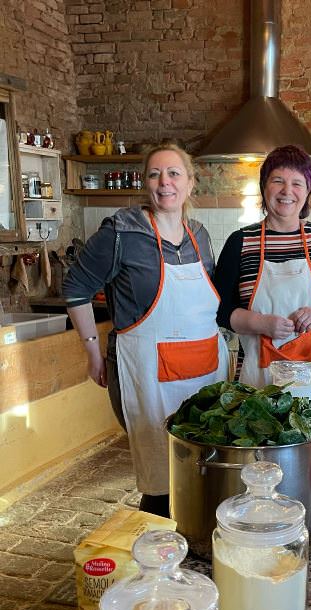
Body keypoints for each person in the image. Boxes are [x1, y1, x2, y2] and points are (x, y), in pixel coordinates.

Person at [64, 143, 228, 517]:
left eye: (174, 173)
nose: (164, 182)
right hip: (147, 375)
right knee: (161, 477)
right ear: (145, 183)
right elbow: (75, 288)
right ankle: (159, 547)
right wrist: (92, 352)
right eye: (155, 174)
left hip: (204, 372)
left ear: (190, 183)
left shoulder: (199, 235)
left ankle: (198, 544)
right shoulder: (122, 232)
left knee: (202, 469)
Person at [213, 144, 311, 387]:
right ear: (264, 187)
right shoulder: (240, 242)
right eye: (278, 181)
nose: (287, 191)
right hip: (258, 382)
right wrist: (260, 323)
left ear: (307, 190)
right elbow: (218, 310)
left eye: (297, 183)